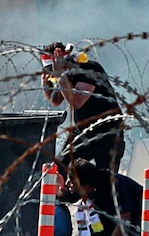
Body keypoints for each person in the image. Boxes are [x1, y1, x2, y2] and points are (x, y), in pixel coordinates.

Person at [40, 41, 125, 174]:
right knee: (60, 168)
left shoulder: (89, 69)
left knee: (105, 178)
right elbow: (56, 100)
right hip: (83, 131)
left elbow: (77, 101)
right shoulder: (66, 75)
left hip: (107, 131)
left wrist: (60, 75)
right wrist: (46, 84)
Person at [58, 158, 142, 236]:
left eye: (71, 182)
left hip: (138, 220)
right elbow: (70, 198)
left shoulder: (115, 185)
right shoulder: (88, 185)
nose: (68, 183)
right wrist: (61, 190)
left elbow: (124, 221)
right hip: (111, 220)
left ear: (84, 187)